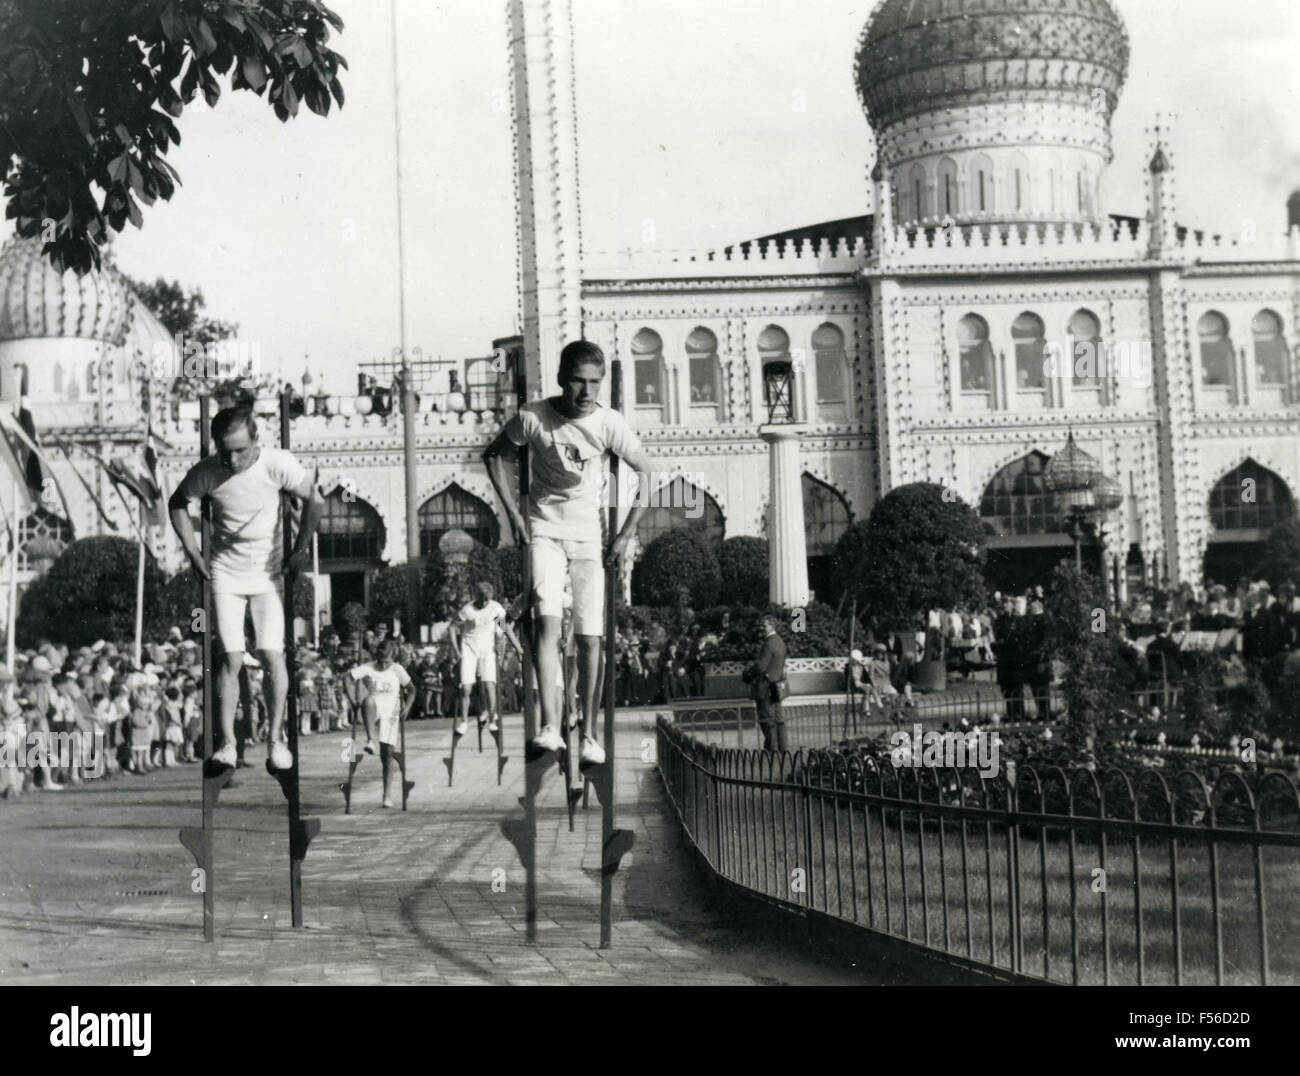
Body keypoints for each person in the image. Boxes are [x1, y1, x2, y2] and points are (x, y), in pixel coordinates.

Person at [483, 339, 650, 763]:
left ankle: (590, 735)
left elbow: (649, 476)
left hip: (589, 538)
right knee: (547, 625)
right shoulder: (533, 417)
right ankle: (549, 726)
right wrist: (515, 518)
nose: (586, 391)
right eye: (578, 381)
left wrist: (626, 534)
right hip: (544, 532)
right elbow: (494, 456)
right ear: (562, 379)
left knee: (590, 638)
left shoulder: (609, 423)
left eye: (595, 382)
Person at [168, 403, 324, 771]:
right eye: (226, 451)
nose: (234, 459)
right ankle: (228, 745)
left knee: (272, 654)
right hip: (225, 573)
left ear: (256, 439)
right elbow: (177, 503)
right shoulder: (208, 471)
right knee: (231, 657)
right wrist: (192, 551)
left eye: (241, 450)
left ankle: (275, 739)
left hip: (268, 573)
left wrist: (300, 550)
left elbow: (314, 499)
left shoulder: (277, 463)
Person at [345, 639, 415, 808]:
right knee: (368, 700)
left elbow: (412, 689)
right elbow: (347, 677)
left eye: (386, 660)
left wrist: (408, 707)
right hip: (373, 709)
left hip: (391, 711)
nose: (383, 664)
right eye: (380, 660)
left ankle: (387, 795)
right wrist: (352, 699)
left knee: (388, 755)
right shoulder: (369, 667)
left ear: (392, 656)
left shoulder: (397, 669)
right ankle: (370, 740)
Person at [450, 581, 519, 737]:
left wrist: (500, 648)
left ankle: (492, 720)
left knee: (489, 685)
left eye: (486, 600)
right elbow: (452, 627)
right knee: (466, 688)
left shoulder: (496, 609)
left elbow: (502, 631)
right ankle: (464, 722)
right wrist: (456, 650)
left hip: (487, 650)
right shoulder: (467, 610)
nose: (483, 603)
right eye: (481, 600)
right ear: (476, 597)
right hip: (469, 650)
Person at [744, 614, 788, 752]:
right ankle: (783, 747)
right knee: (778, 718)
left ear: (771, 626)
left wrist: (748, 669)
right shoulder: (780, 642)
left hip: (765, 686)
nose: (762, 628)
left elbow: (761, 666)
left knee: (766, 718)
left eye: (764, 625)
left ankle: (772, 748)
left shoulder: (769, 643)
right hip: (777, 686)